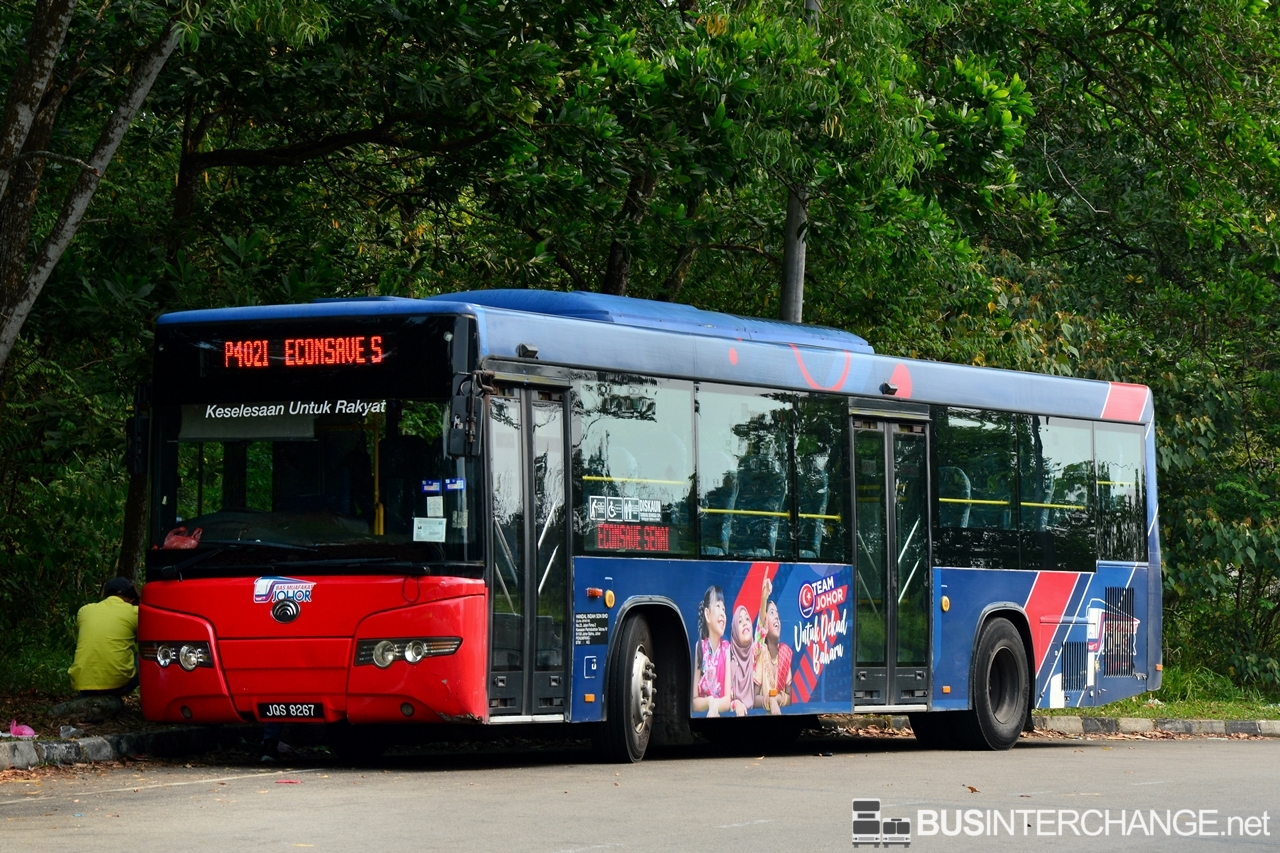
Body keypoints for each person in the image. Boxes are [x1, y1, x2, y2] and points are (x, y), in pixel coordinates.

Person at [68, 577, 139, 697]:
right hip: (118, 684)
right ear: (131, 597)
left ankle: (87, 698)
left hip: (83, 684)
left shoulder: (85, 610)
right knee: (148, 653)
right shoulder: (135, 612)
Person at [753, 577, 793, 715]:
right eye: (772, 613)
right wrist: (770, 700)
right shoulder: (761, 653)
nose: (777, 617)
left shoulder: (785, 653)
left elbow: (790, 697)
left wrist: (777, 699)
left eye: (777, 614)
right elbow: (753, 698)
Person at [692, 585, 731, 716]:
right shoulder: (700, 647)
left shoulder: (727, 649)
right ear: (707, 615)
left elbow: (727, 701)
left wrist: (715, 706)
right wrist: (710, 702)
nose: (722, 613)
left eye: (724, 609)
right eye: (718, 606)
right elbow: (694, 701)